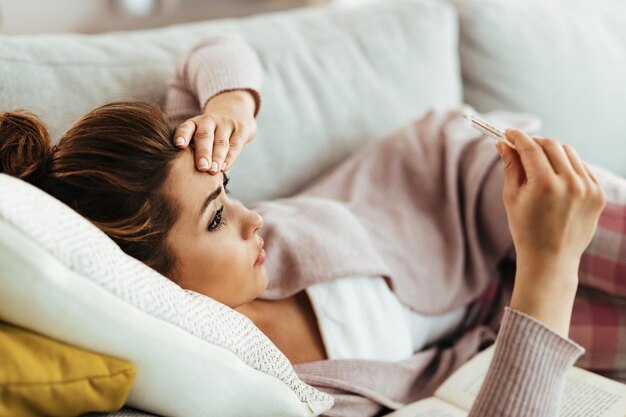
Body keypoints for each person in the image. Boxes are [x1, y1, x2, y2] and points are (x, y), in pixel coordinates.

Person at [0, 35, 623, 417]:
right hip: (492, 321)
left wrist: (230, 105)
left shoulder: (181, 180)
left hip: (463, 187)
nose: (253, 218)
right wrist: (548, 268)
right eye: (217, 218)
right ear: (153, 281)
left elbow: (215, 53)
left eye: (229, 193)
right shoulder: (278, 394)